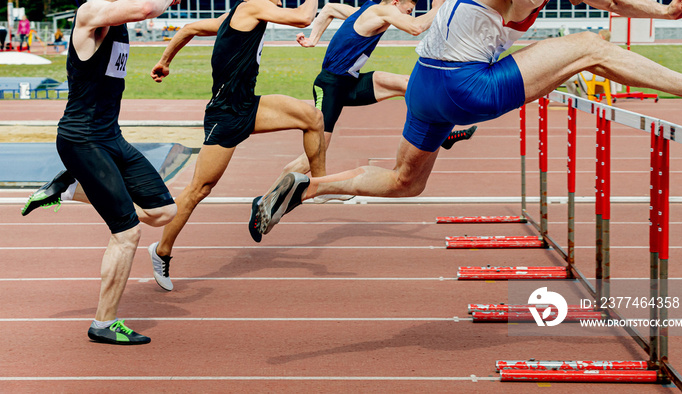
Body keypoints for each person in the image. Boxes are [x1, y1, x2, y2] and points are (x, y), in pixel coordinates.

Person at [249, 0, 682, 240]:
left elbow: (611, 1)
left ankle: (308, 188)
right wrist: (658, 11)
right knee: (589, 46)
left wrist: (662, 11)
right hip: (465, 87)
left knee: (406, 181)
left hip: (426, 85)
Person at [21, 0, 180, 345]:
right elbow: (146, 10)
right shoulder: (92, 11)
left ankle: (66, 189)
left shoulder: (120, 17)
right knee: (127, 233)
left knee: (164, 211)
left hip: (110, 136)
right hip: (82, 139)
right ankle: (103, 323)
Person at [146, 0, 326, 291]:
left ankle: (321, 184)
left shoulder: (236, 16)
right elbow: (304, 18)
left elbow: (190, 27)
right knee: (199, 190)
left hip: (249, 106)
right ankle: (161, 250)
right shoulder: (251, 6)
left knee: (312, 118)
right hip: (226, 115)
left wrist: (165, 61)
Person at [277, 0, 473, 200]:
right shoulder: (383, 11)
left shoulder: (369, 11)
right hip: (330, 86)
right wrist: (440, 8)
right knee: (316, 152)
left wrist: (313, 39)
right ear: (395, 2)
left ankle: (439, 133)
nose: (409, 14)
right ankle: (288, 188)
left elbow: (329, 9)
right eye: (408, 9)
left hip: (350, 83)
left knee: (410, 85)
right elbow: (416, 27)